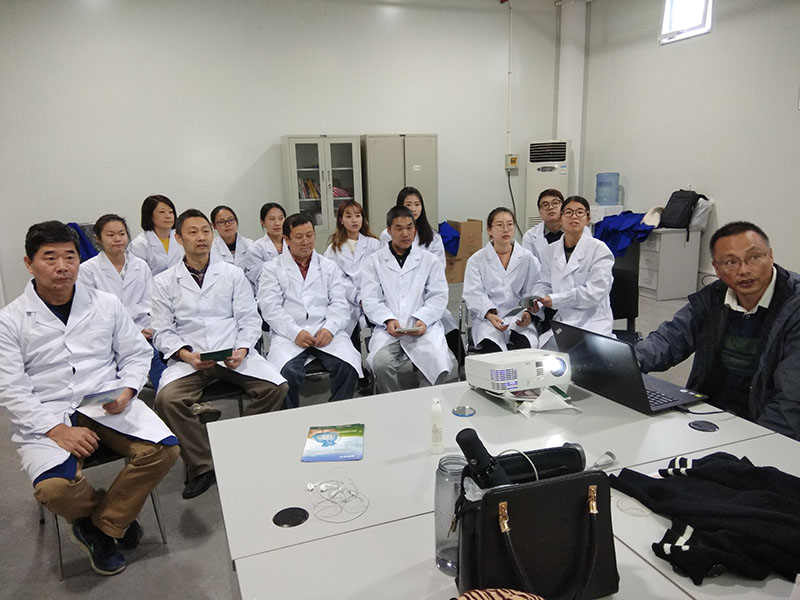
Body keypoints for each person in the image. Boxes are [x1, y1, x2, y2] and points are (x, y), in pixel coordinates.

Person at [0, 221, 179, 576]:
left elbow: (135, 354)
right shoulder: (10, 320)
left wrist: (128, 389)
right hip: (49, 411)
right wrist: (56, 430)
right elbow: (11, 388)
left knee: (164, 451)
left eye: (70, 257)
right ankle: (111, 521)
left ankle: (100, 526)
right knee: (54, 490)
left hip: (105, 400)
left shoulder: (105, 304)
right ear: (29, 263)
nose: (62, 266)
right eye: (50, 258)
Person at [152, 209, 288, 499]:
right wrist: (187, 355)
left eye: (205, 231)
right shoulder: (164, 281)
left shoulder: (231, 274)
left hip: (231, 354)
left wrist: (242, 349)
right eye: (192, 232)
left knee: (276, 387)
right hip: (191, 360)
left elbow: (249, 319)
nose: (201, 237)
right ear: (179, 238)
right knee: (166, 400)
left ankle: (237, 448)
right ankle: (202, 466)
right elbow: (162, 331)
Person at [635, 221, 800, 440]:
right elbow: (670, 339)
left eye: (753, 257)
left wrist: (756, 445)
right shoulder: (714, 296)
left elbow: (791, 401)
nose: (744, 270)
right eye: (731, 262)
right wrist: (630, 362)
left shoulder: (793, 306)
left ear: (770, 256)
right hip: (708, 416)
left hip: (763, 424)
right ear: (717, 268)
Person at [258, 213, 362, 409]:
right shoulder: (272, 269)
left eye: (309, 235)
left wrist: (330, 328)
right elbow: (270, 308)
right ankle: (291, 419)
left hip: (325, 329)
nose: (305, 241)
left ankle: (338, 412)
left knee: (348, 366)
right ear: (286, 239)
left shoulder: (328, 266)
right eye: (299, 237)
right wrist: (294, 332)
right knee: (286, 374)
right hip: (289, 334)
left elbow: (339, 303)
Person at [362, 206, 454, 393]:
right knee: (380, 364)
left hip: (423, 328)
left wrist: (423, 319)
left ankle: (424, 400)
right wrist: (388, 319)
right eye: (399, 228)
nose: (405, 233)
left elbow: (438, 296)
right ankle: (395, 401)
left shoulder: (430, 261)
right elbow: (371, 300)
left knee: (439, 363)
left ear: (415, 229)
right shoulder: (374, 262)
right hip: (389, 331)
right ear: (389, 231)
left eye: (409, 227)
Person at [78, 214, 166, 388]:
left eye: (121, 234)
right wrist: (131, 333)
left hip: (144, 331)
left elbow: (152, 303)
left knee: (161, 357)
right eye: (110, 235)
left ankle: (170, 397)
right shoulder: (87, 270)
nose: (117, 239)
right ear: (99, 239)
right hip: (107, 336)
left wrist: (149, 329)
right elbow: (90, 313)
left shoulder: (140, 266)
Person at [379, 187, 462, 360]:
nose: (413, 208)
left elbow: (438, 269)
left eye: (417, 204)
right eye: (408, 204)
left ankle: (461, 362)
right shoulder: (386, 236)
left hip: (425, 294)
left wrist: (420, 290)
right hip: (397, 296)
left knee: (447, 325)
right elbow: (385, 267)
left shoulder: (433, 236)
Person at [530, 196, 614, 346]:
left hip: (593, 322)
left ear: (587, 218)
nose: (574, 216)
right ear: (560, 218)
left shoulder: (600, 250)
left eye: (580, 212)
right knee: (545, 351)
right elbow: (545, 284)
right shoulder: (550, 251)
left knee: (578, 354)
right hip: (564, 320)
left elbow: (594, 292)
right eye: (568, 212)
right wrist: (538, 299)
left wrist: (556, 299)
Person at [462, 208, 540, 353]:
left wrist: (529, 313)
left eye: (510, 224)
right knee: (495, 353)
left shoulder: (528, 258)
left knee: (525, 350)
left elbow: (535, 289)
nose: (506, 229)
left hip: (518, 317)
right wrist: (489, 314)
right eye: (499, 225)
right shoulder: (476, 260)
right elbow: (473, 293)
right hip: (488, 319)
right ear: (489, 230)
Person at [323, 200, 382, 340]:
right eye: (348, 216)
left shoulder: (374, 244)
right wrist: (358, 298)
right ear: (341, 220)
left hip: (372, 298)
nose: (354, 220)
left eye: (357, 215)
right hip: (346, 302)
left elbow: (379, 274)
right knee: (348, 340)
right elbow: (337, 279)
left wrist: (366, 297)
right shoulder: (333, 249)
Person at [129, 194, 184, 276]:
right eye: (162, 212)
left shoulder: (182, 238)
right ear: (150, 216)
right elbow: (138, 275)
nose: (168, 216)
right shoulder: (139, 244)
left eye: (170, 212)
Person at [244, 202, 287, 292]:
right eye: (272, 219)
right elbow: (260, 278)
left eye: (281, 218)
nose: (277, 223)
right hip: (268, 293)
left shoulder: (293, 243)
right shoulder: (255, 249)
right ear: (262, 222)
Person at [522, 188, 564, 262]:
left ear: (564, 208)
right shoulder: (529, 237)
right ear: (540, 212)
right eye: (545, 205)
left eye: (555, 203)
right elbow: (528, 265)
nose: (550, 207)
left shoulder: (576, 232)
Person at [210, 205, 252, 269]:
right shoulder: (211, 249)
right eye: (221, 222)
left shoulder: (250, 245)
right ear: (214, 226)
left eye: (231, 220)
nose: (227, 224)